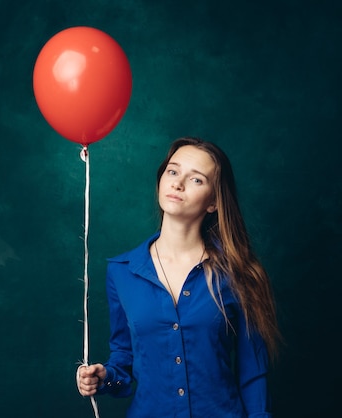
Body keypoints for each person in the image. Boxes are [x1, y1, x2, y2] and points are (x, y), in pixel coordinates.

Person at [76, 136, 280, 417]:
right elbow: (124, 360)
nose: (178, 183)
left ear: (213, 203)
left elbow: (253, 373)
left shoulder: (240, 274)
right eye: (173, 171)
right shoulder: (121, 272)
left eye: (196, 179)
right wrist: (103, 377)